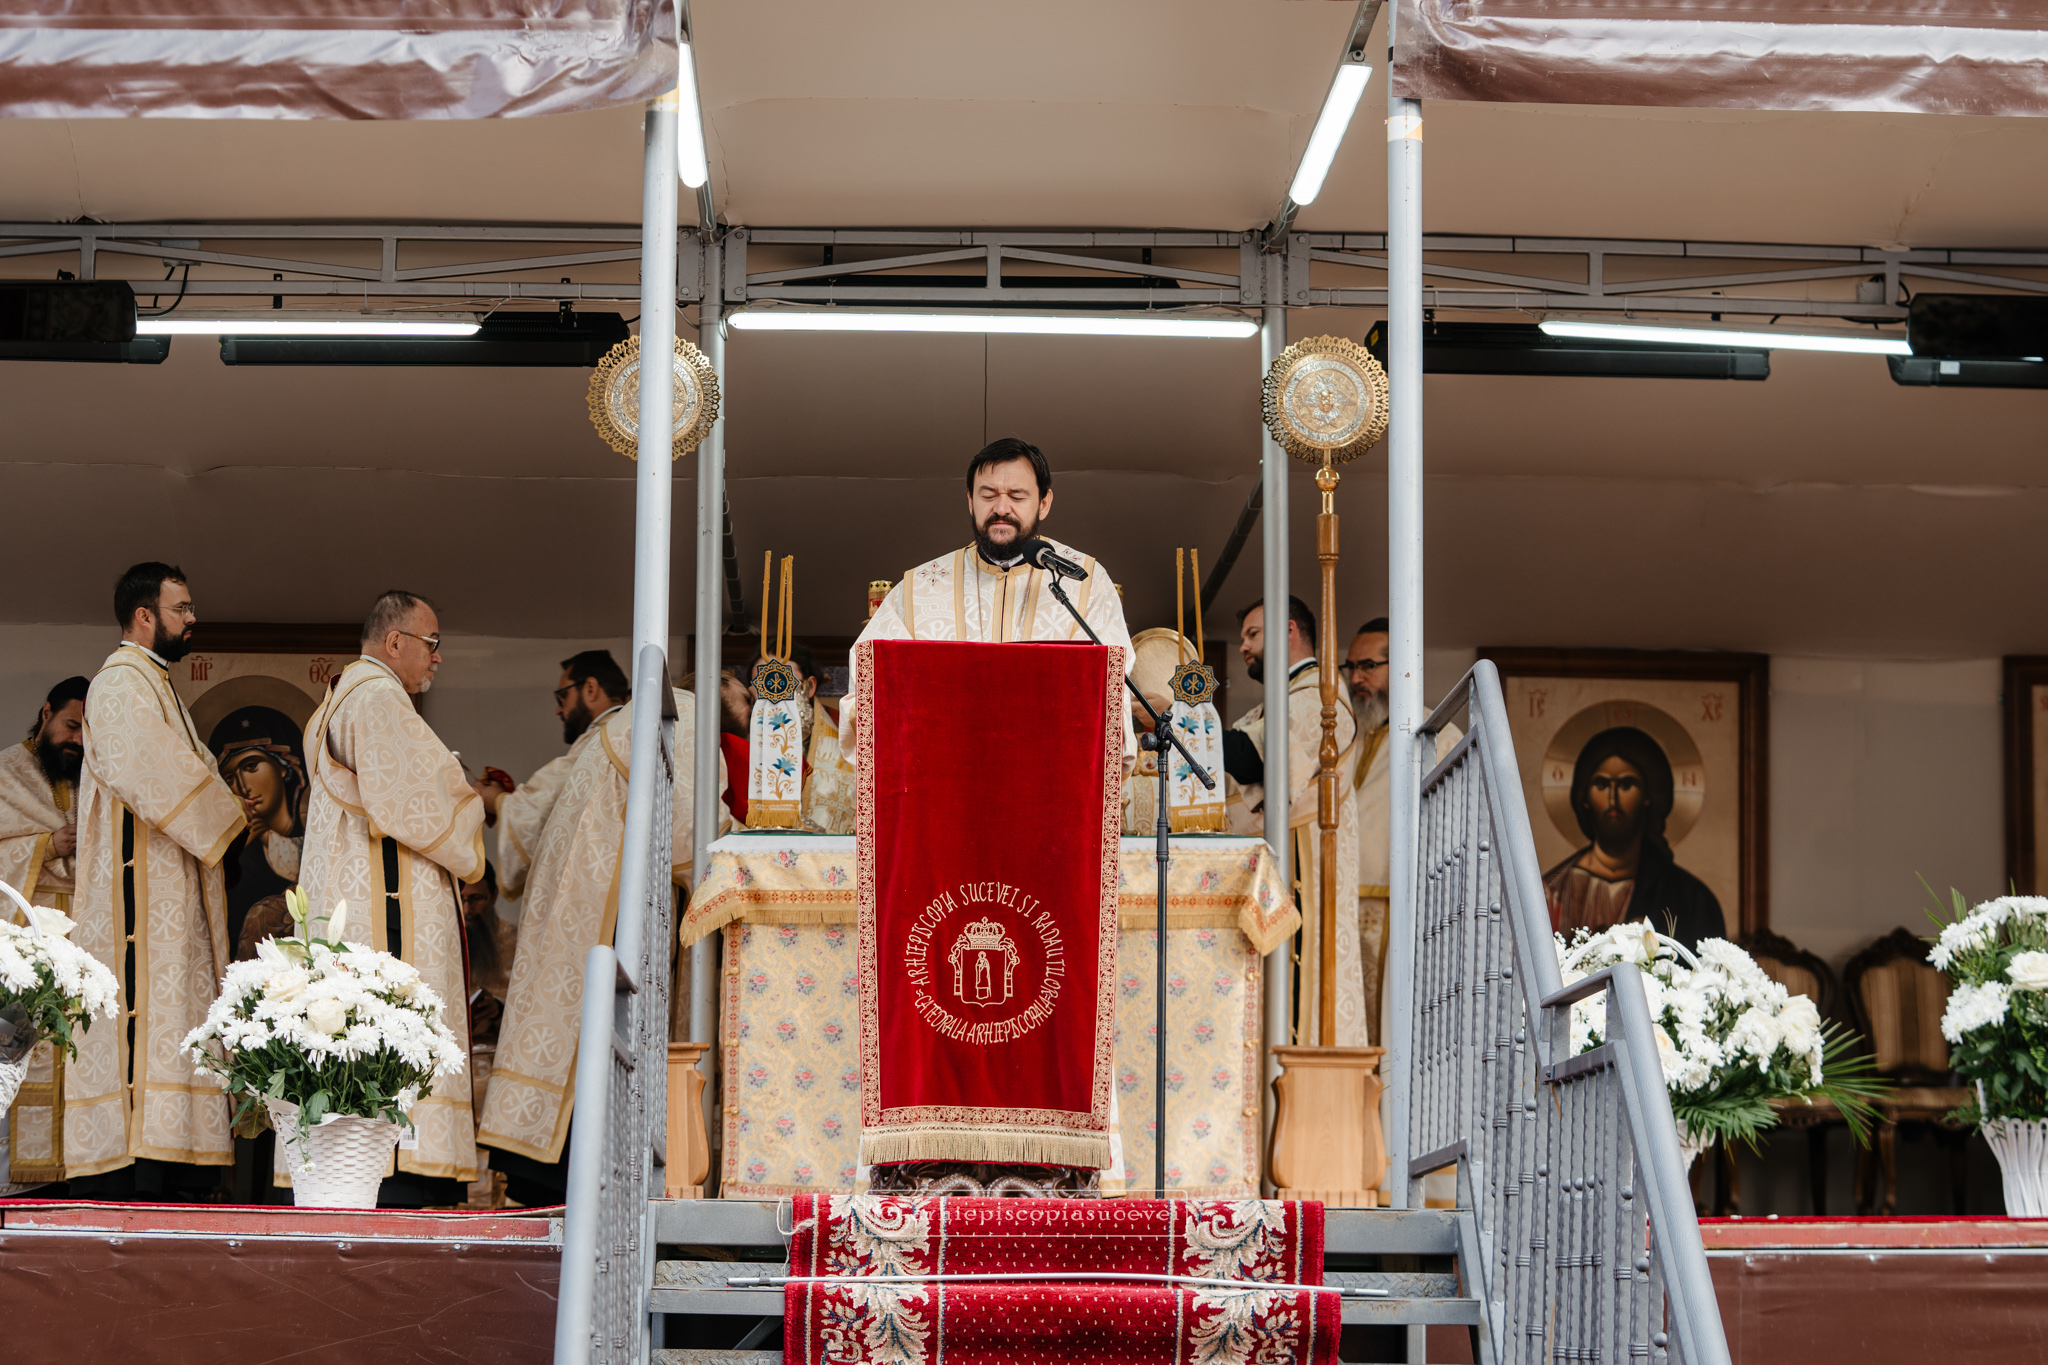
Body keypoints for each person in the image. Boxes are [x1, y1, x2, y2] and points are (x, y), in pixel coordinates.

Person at [477, 674, 717, 1206]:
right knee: (600, 1045)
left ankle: (543, 1180)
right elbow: (691, 835)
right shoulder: (681, 718)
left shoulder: (617, 727)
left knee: (568, 1037)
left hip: (576, 917)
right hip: (610, 918)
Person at [298, 589, 486, 1203]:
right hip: (384, 908)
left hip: (346, 899)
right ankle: (406, 1166)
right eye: (431, 644)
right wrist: (472, 805)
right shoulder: (378, 699)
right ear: (394, 641)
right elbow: (420, 803)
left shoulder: (338, 697)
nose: (437, 658)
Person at [66, 564, 246, 1196]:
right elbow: (160, 772)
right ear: (144, 616)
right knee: (146, 1033)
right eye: (181, 608)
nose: (192, 618)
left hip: (169, 899)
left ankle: (179, 1162)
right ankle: (146, 1169)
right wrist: (231, 821)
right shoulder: (120, 683)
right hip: (139, 909)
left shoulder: (156, 683)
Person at [844, 437, 1135, 763]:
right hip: (947, 772)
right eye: (988, 495)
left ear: (1044, 503)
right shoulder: (918, 588)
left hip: (1048, 773)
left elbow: (1111, 696)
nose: (1001, 508)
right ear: (970, 500)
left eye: (1017, 496)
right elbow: (866, 688)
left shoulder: (1087, 583)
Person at [1221, 594, 1365, 1046]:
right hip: (1286, 857)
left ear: (1288, 631)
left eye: (1253, 634)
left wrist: (1177, 720)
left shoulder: (1319, 695)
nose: (1243, 646)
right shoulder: (1285, 697)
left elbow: (1252, 758)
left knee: (1302, 994)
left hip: (1309, 863)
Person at [1343, 618, 1460, 1041]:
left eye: (1368, 666)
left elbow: (1452, 828)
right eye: (1350, 667)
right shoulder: (1341, 733)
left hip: (1401, 910)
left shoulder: (1437, 735)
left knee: (1391, 1029)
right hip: (1338, 906)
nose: (1356, 678)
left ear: (1403, 666)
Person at [0, 675, 89, 1186]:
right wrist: (45, 847)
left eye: (86, 732)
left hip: (85, 947)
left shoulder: (98, 781)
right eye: (70, 725)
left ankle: (77, 1184)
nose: (76, 739)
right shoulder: (5, 772)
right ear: (45, 712)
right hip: (21, 946)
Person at [1542, 726, 1724, 950]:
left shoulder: (1691, 899)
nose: (1613, 799)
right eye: (1601, 785)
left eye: (1626, 785)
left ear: (1648, 795)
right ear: (1585, 797)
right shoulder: (1552, 892)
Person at [483, 650, 630, 905]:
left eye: (563, 696)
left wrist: (497, 800)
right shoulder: (626, 731)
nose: (558, 709)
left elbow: (545, 804)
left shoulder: (603, 739)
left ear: (591, 689)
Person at [208, 705, 309, 960]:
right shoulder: (234, 853)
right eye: (229, 777)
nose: (242, 786)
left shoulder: (320, 837)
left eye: (251, 766)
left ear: (284, 767)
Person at [747, 642, 854, 834]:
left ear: (809, 686)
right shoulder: (740, 745)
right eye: (762, 684)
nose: (774, 695)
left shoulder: (850, 745)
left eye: (783, 682)